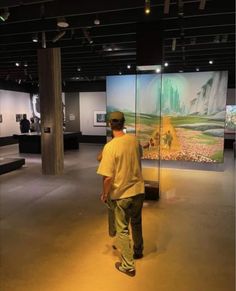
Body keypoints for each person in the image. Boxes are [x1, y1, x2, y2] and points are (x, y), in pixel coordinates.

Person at [97, 111, 145, 277]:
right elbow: (139, 156)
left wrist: (104, 194)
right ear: (124, 123)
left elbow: (108, 177)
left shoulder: (110, 147)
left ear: (110, 124)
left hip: (122, 194)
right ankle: (138, 250)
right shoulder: (134, 140)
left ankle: (128, 265)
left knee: (122, 229)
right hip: (139, 191)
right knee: (137, 222)